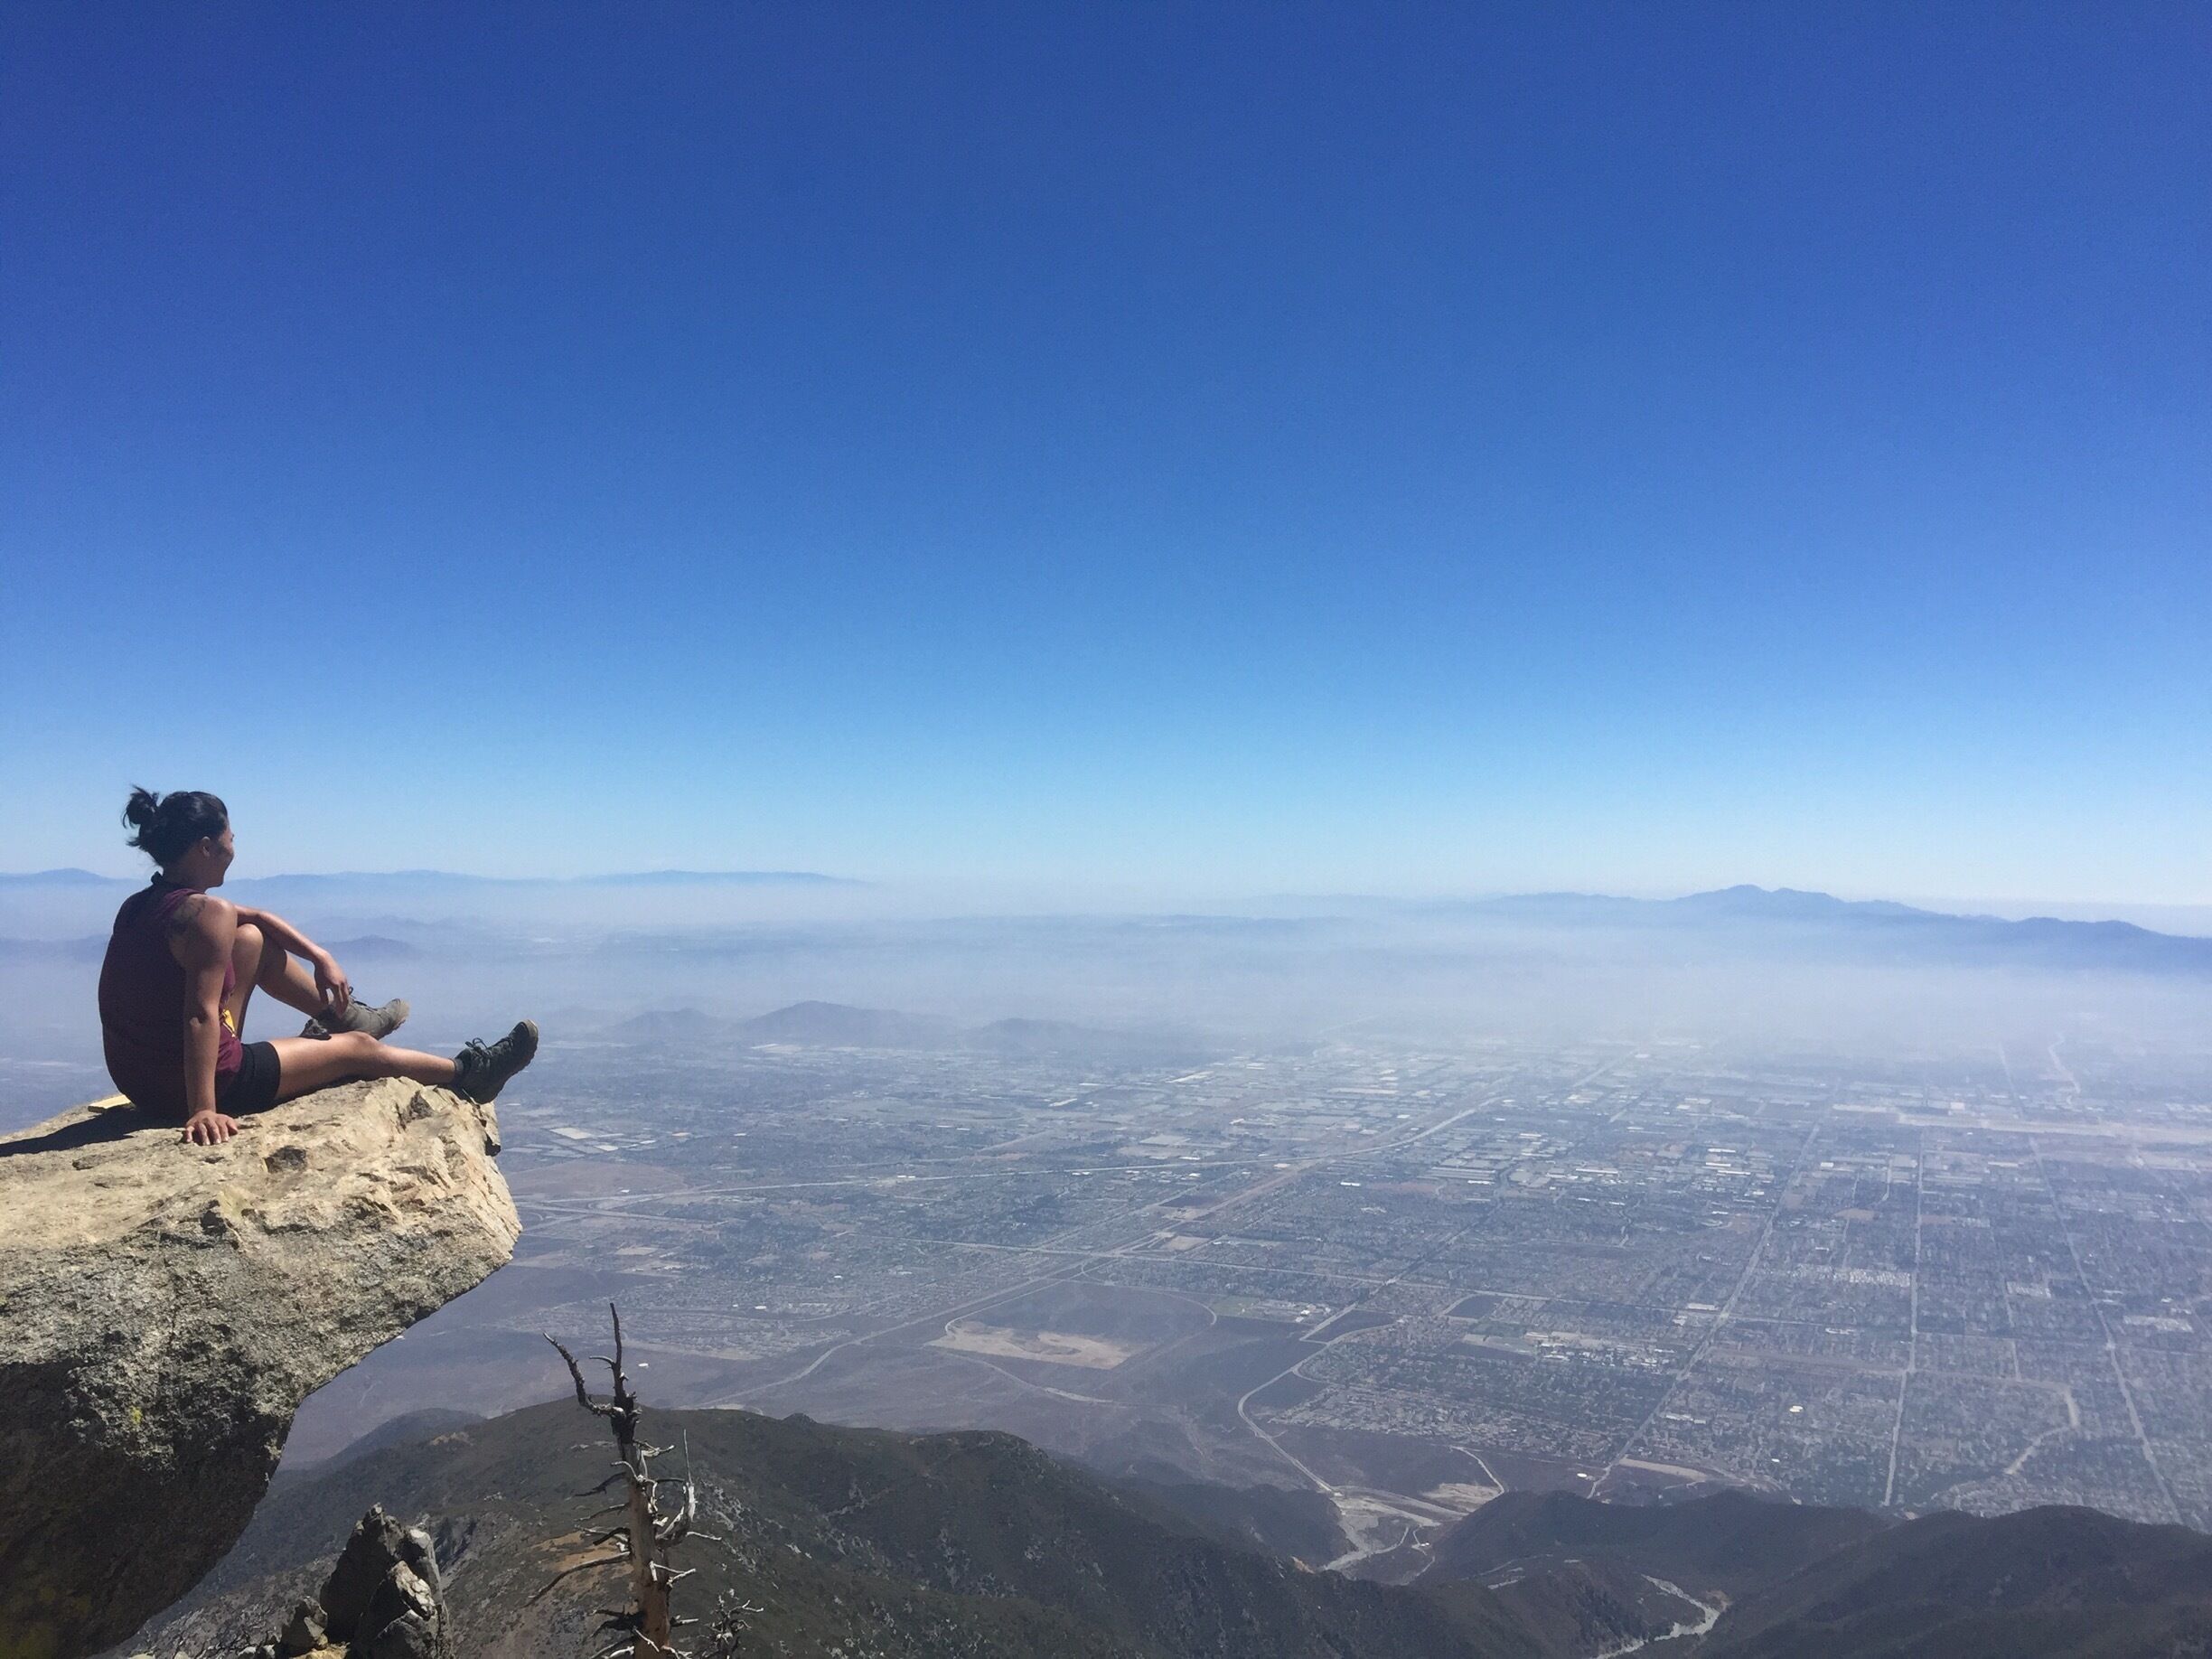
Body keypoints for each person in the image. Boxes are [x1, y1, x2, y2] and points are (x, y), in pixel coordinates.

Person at [97, 787, 538, 1146]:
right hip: (198, 1082)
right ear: (207, 847)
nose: (235, 846)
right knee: (358, 1051)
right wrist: (204, 1108)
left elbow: (257, 921)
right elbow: (199, 1015)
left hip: (141, 1079)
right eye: (231, 837)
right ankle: (470, 1074)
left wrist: (320, 957)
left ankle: (341, 1016)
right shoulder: (208, 915)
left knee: (251, 940)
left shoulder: (146, 906)